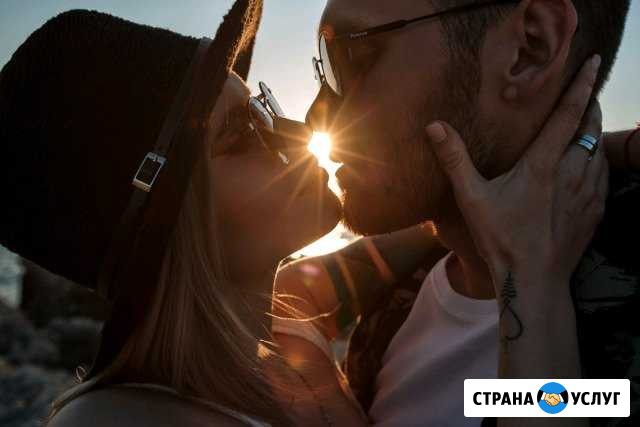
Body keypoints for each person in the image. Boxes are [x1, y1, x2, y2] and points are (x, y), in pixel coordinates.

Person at [0, 1, 609, 427]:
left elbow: (316, 283)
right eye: (241, 133)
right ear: (171, 226)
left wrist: (584, 160)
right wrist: (530, 285)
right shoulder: (122, 420)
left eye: (262, 105)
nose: (298, 128)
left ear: (531, 50)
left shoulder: (289, 346)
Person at [304, 0, 639, 426]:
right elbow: (294, 293)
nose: (315, 116)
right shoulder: (396, 301)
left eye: (353, 58)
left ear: (529, 49)